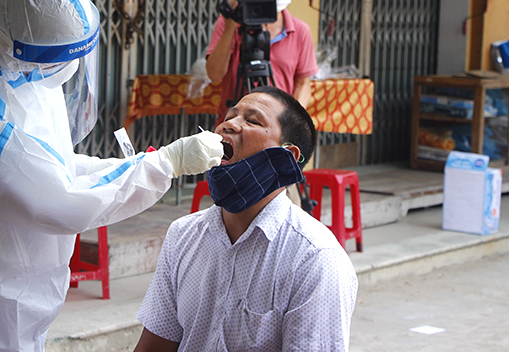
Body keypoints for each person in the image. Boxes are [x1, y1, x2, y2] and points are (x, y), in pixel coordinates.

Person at [0, 0, 223, 352]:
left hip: (20, 303)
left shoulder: (25, 71)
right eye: (65, 56)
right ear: (25, 47)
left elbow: (51, 162)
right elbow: (58, 199)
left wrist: (127, 166)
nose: (73, 67)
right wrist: (164, 164)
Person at [134, 86, 358, 352]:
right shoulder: (182, 235)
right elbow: (156, 343)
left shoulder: (315, 258)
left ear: (288, 156)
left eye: (252, 121)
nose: (228, 125)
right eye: (229, 116)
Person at [206, 0, 318, 125]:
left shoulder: (301, 30)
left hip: (278, 129)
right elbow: (214, 74)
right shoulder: (230, 22)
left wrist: (291, 120)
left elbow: (303, 84)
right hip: (234, 125)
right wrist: (230, 26)